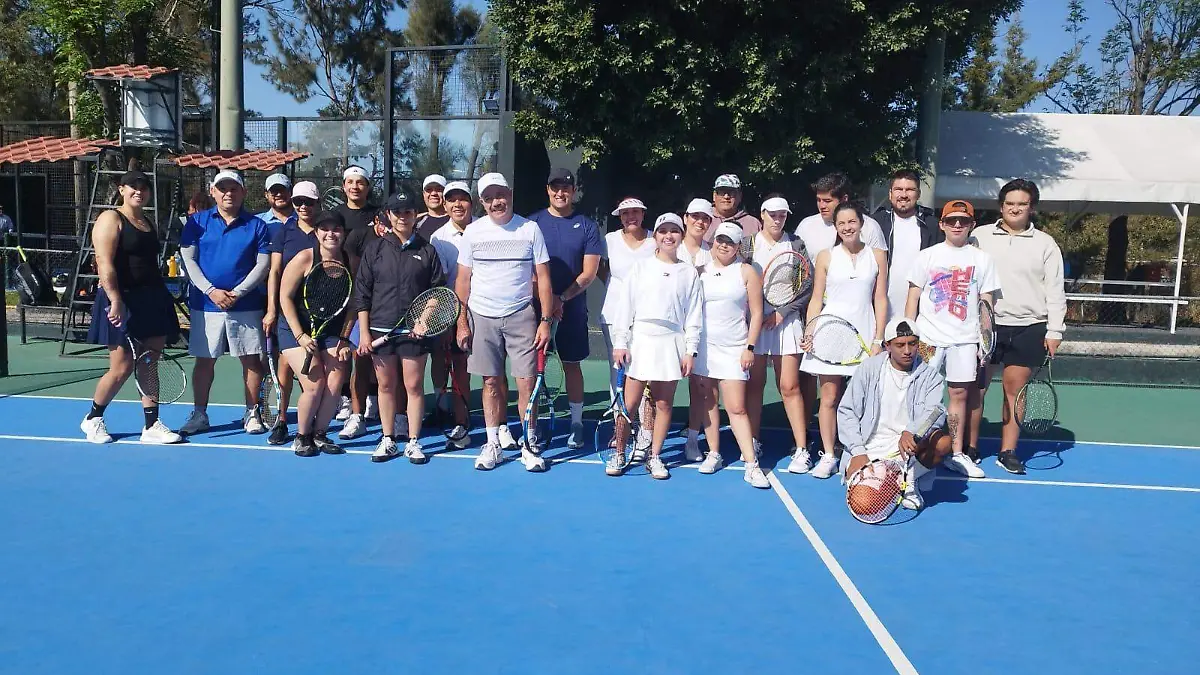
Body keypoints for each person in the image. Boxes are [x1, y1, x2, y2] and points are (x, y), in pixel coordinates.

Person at [454, 172, 554, 473]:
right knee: (490, 382)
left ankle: (528, 444)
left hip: (522, 315)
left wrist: (545, 320)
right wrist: (462, 322)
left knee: (526, 383)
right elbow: (463, 280)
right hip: (481, 315)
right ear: (482, 202)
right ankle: (492, 443)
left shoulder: (530, 229)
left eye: (500, 195)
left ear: (510, 194)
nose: (496, 202)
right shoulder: (473, 232)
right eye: (489, 197)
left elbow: (544, 278)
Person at [969, 179, 1066, 474]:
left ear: (1031, 208)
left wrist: (1055, 330)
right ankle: (968, 449)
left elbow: (1055, 290)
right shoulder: (979, 236)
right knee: (976, 390)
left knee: (1015, 392)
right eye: (1010, 203)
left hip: (1029, 327)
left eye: (1021, 204)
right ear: (1001, 207)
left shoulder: (1046, 244)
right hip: (986, 327)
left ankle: (1008, 451)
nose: (1015, 209)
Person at [80, 170, 183, 445]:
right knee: (122, 367)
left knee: (149, 363)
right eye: (133, 186)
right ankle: (93, 418)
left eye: (144, 187)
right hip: (122, 300)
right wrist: (115, 299)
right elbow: (104, 262)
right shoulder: (110, 219)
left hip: (152, 299)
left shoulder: (147, 222)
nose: (139, 191)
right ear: (121, 189)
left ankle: (151, 425)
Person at [905, 199, 1000, 479]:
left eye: (963, 220)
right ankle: (913, 446)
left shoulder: (983, 259)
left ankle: (956, 454)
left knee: (959, 395)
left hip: (965, 340)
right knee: (919, 393)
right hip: (929, 339)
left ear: (972, 225)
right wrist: (908, 334)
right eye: (951, 220)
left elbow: (986, 303)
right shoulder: (927, 256)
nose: (957, 225)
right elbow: (912, 297)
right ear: (942, 224)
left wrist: (984, 341)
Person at [609, 213, 704, 480]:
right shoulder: (640, 268)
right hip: (641, 340)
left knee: (664, 404)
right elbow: (625, 307)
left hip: (671, 341)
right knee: (629, 404)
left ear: (681, 236)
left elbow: (694, 315)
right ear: (656, 236)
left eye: (674, 231)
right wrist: (620, 342)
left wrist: (690, 350)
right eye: (663, 231)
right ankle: (620, 453)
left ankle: (655, 456)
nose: (668, 236)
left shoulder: (689, 273)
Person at [356, 190, 447, 463]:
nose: (402, 217)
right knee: (385, 386)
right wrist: (364, 333)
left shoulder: (427, 250)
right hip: (380, 328)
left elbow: (436, 291)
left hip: (413, 332)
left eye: (407, 211)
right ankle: (388, 439)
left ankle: (414, 441)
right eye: (397, 212)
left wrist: (423, 320)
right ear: (389, 215)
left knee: (414, 386)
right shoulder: (375, 249)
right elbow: (363, 294)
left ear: (414, 214)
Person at [177, 170, 271, 436]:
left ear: (243, 192)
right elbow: (188, 259)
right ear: (213, 192)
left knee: (251, 360)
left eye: (234, 189)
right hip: (205, 305)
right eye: (223, 189)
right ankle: (199, 414)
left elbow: (263, 264)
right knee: (205, 361)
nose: (228, 193)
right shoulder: (197, 222)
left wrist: (237, 293)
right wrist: (211, 291)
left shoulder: (257, 225)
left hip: (246, 306)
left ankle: (252, 412)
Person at [801, 202, 889, 479]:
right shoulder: (826, 256)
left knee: (865, 401)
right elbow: (816, 299)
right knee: (829, 397)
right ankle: (828, 455)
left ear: (861, 223)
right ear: (836, 227)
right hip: (829, 333)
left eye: (852, 222)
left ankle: (858, 454)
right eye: (842, 223)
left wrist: (878, 339)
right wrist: (810, 331)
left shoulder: (877, 255)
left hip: (865, 334)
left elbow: (880, 299)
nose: (847, 227)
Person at [837, 317, 954, 512]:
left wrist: (911, 431)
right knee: (862, 506)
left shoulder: (931, 376)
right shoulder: (869, 368)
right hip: (869, 449)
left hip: (909, 449)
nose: (907, 350)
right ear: (887, 346)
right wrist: (858, 451)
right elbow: (847, 411)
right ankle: (892, 479)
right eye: (900, 345)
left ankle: (909, 479)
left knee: (943, 442)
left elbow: (935, 412)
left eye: (912, 344)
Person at [528, 168, 604, 449]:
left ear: (573, 191)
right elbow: (527, 270)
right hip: (537, 312)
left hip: (572, 310)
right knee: (532, 368)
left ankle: (576, 423)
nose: (560, 192)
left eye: (566, 188)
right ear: (548, 190)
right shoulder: (532, 224)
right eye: (555, 187)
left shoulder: (586, 226)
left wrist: (562, 298)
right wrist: (548, 301)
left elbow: (589, 272)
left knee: (572, 366)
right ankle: (531, 427)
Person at [740, 195, 816, 472]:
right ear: (762, 214)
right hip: (756, 325)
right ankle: (753, 441)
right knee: (754, 385)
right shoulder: (748, 244)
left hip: (787, 322)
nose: (777, 219)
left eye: (782, 215)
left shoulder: (796, 243)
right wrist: (756, 313)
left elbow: (807, 284)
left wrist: (783, 312)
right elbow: (739, 279)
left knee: (790, 387)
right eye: (772, 214)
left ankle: (801, 448)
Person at [692, 221, 768, 488]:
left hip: (735, 347)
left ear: (738, 246)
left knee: (736, 407)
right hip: (704, 348)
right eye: (720, 240)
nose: (724, 245)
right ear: (714, 242)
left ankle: (751, 465)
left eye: (730, 242)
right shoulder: (700, 271)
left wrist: (749, 347)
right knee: (708, 401)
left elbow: (756, 313)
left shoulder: (746, 272)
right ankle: (714, 453)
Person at [277, 210, 354, 457]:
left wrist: (345, 339)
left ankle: (319, 434)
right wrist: (300, 336)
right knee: (314, 383)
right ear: (317, 233)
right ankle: (302, 436)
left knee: (334, 382)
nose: (331, 234)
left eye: (336, 229)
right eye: (325, 229)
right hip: (294, 329)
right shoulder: (304, 258)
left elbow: (354, 306)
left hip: (331, 331)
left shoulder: (351, 261)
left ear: (343, 233)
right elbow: (285, 298)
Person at [262, 181, 321, 445]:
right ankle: (282, 420)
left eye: (308, 202)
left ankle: (315, 423)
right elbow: (274, 272)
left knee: (319, 371)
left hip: (320, 313)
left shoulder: (326, 230)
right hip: (289, 313)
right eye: (298, 202)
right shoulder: (284, 232)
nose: (303, 206)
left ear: (317, 203)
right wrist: (271, 309)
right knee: (285, 365)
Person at [428, 181, 477, 449]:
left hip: (485, 309)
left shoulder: (484, 229)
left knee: (488, 370)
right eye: (451, 200)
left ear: (472, 202)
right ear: (445, 205)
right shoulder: (438, 238)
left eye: (463, 199)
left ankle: (499, 424)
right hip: (452, 308)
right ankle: (457, 419)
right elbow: (443, 282)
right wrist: (452, 320)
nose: (457, 204)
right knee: (453, 364)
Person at [334, 165, 381, 435]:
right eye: (350, 182)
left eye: (360, 182)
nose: (355, 187)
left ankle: (371, 397)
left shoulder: (377, 215)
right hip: (343, 293)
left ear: (367, 187)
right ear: (344, 187)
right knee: (346, 351)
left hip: (373, 296)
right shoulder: (336, 216)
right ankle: (345, 398)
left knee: (368, 353)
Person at [598, 196, 655, 398]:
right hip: (613, 313)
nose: (631, 216)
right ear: (620, 217)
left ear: (643, 214)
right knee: (617, 365)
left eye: (635, 212)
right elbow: (600, 268)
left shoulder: (655, 240)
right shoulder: (610, 240)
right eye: (625, 213)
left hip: (646, 314)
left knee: (645, 365)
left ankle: (644, 415)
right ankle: (618, 414)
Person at [872, 169, 942, 320]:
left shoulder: (931, 225)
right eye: (898, 189)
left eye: (910, 190)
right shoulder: (876, 223)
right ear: (890, 194)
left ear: (918, 194)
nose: (903, 195)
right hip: (880, 311)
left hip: (921, 313)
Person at [795, 172, 889, 256]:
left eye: (827, 201)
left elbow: (880, 263)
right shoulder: (806, 226)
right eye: (819, 200)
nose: (822, 206)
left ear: (844, 199)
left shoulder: (869, 227)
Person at [705, 173, 762, 243]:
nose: (726, 197)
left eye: (731, 192)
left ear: (740, 196)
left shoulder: (753, 224)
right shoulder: (703, 219)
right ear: (714, 196)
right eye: (722, 192)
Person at [256, 173, 296, 242]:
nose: (279, 194)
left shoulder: (304, 220)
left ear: (291, 191)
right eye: (274, 191)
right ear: (266, 194)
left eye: (283, 190)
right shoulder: (256, 223)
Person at [679, 198, 714, 268]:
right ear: (685, 218)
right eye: (695, 216)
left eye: (705, 218)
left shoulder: (713, 252)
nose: (700, 222)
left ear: (710, 223)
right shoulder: (672, 248)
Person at [415, 174, 450, 241]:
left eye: (439, 189)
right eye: (429, 189)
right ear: (424, 194)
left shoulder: (456, 221)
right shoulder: (415, 222)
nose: (433, 193)